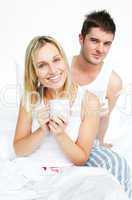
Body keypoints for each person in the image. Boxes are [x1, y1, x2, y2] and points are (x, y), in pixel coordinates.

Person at [2, 35, 127, 200]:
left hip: (68, 175)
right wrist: (42, 129)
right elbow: (19, 149)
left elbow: (81, 158)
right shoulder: (30, 99)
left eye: (56, 60)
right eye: (42, 65)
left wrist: (60, 134)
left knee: (106, 190)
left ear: (64, 60)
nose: (53, 70)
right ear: (34, 72)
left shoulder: (89, 101)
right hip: (30, 172)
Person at [71, 10, 132, 199]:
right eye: (94, 41)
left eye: (107, 43)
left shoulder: (112, 81)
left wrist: (100, 140)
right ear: (81, 39)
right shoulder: (61, 67)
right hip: (60, 135)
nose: (101, 49)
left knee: (117, 165)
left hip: (86, 142)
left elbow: (105, 117)